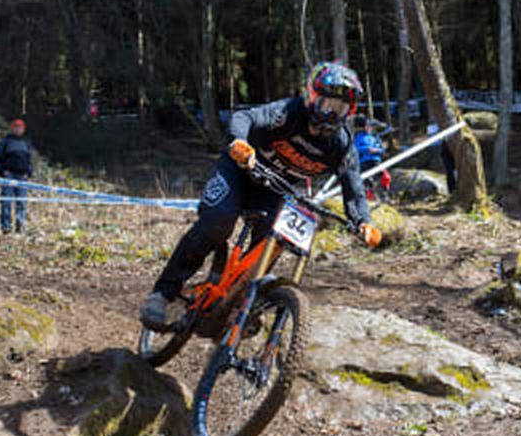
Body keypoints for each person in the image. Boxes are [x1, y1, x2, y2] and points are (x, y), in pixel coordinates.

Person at [140, 62, 382, 329]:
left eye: (340, 109)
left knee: (272, 242)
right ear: (313, 98)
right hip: (239, 172)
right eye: (328, 105)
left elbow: (354, 187)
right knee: (219, 221)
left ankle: (237, 307)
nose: (332, 114)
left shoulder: (341, 145)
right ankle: (163, 294)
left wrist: (363, 222)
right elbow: (245, 118)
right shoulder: (289, 113)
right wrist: (240, 142)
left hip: (273, 191)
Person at [0, 119, 33, 234]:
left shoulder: (26, 142)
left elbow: (30, 160)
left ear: (23, 129)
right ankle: (6, 227)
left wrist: (28, 173)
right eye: (16, 127)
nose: (18, 129)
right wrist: (3, 171)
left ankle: (20, 228)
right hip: (9, 176)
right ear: (12, 128)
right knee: (6, 202)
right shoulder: (6, 141)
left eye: (20, 127)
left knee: (21, 203)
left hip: (22, 177)